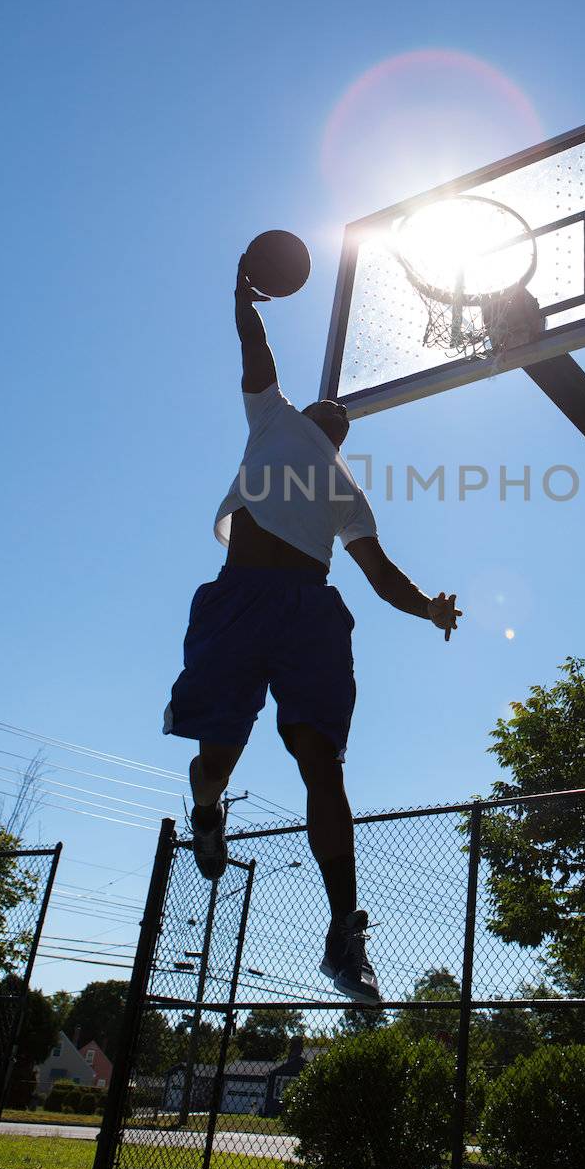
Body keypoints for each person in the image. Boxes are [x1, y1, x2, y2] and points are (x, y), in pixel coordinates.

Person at [163, 256, 462, 1003]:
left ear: (344, 434)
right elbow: (255, 355)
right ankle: (207, 810)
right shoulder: (274, 417)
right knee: (218, 754)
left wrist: (428, 606)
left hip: (309, 609)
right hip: (241, 598)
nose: (336, 410)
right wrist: (243, 299)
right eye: (329, 405)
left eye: (343, 415)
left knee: (320, 760)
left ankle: (343, 936)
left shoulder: (346, 491)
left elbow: (381, 574)